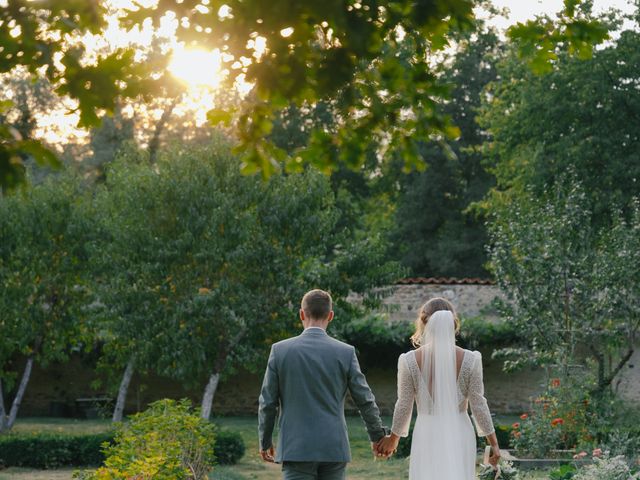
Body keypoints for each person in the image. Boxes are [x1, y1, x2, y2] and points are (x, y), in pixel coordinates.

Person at [258, 289, 388, 480]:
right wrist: (377, 436)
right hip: (333, 447)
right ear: (331, 316)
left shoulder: (280, 351)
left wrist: (265, 440)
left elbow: (268, 403)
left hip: (296, 448)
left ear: (301, 314)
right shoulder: (346, 352)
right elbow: (365, 399)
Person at [376, 297, 501, 479]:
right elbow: (479, 405)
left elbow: (404, 404)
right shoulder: (471, 360)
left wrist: (393, 440)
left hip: (426, 432)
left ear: (423, 323)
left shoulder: (409, 360)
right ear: (454, 324)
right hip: (460, 432)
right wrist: (494, 444)